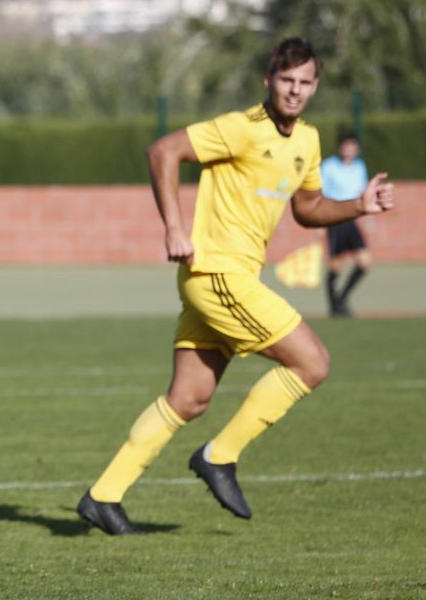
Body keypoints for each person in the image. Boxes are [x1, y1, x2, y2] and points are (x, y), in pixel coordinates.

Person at [77, 38, 395, 536]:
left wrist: (358, 204)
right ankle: (219, 456)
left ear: (315, 87)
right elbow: (163, 151)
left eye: (304, 82)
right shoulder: (240, 129)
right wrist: (174, 226)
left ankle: (104, 496)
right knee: (312, 362)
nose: (294, 90)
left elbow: (308, 209)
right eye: (286, 80)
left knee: (189, 399)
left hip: (233, 278)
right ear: (268, 81)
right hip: (217, 274)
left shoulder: (307, 142)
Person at [319, 133, 372, 317]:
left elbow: (361, 192)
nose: (349, 149)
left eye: (352, 146)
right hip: (335, 219)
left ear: (357, 149)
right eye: (345, 145)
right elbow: (321, 193)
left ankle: (341, 299)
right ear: (340, 148)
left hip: (352, 220)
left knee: (365, 262)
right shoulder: (329, 166)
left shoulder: (359, 167)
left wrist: (367, 214)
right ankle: (334, 306)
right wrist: (320, 221)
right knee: (336, 265)